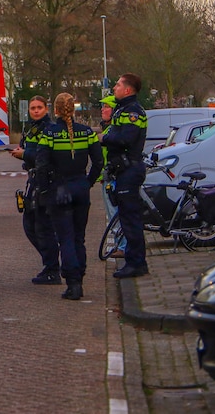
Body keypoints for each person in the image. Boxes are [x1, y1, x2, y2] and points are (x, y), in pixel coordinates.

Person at [36, 93, 103, 300]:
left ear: (55, 110)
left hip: (59, 190)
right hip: (81, 188)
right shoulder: (87, 132)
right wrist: (88, 182)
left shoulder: (49, 133)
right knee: (78, 237)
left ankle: (73, 284)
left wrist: (45, 190)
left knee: (65, 238)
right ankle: (80, 277)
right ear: (73, 109)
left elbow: (41, 165)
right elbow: (99, 162)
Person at [101, 73, 149, 278]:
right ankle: (134, 261)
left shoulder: (132, 112)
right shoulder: (123, 109)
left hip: (129, 169)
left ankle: (136, 263)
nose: (115, 88)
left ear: (128, 90)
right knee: (127, 217)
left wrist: (104, 138)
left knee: (131, 219)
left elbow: (126, 139)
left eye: (118, 85)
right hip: (123, 170)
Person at [10, 96, 60, 285]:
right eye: (33, 108)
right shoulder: (31, 128)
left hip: (45, 182)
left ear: (46, 109)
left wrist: (25, 154)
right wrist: (22, 153)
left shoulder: (50, 128)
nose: (36, 111)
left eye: (39, 107)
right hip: (33, 180)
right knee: (30, 226)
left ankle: (52, 269)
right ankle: (51, 264)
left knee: (43, 227)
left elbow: (46, 155)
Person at [99, 95, 126, 258]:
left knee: (114, 213)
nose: (103, 109)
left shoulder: (111, 132)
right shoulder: (108, 130)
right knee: (113, 214)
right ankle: (120, 245)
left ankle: (122, 247)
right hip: (107, 176)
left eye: (107, 106)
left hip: (111, 177)